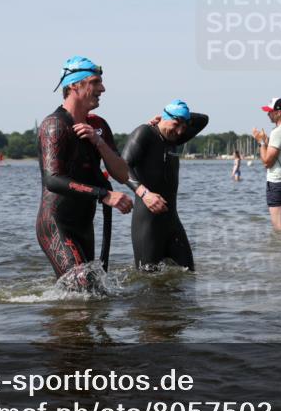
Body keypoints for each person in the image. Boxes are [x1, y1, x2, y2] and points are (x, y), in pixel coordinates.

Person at [36, 56, 132, 288]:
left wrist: (99, 142)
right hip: (56, 224)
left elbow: (122, 174)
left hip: (84, 225)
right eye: (95, 82)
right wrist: (104, 194)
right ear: (74, 85)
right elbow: (53, 180)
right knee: (83, 288)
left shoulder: (99, 126)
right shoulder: (54, 125)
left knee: (92, 294)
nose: (103, 89)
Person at [121, 100, 208, 270]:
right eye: (176, 124)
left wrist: (182, 118)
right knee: (148, 277)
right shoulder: (145, 133)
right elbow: (122, 166)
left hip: (171, 221)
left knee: (189, 274)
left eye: (184, 126)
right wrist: (145, 194)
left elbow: (204, 119)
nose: (180, 131)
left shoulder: (174, 137)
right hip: (147, 222)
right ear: (164, 117)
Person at [251, 98, 281, 231]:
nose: (268, 114)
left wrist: (261, 142)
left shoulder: (278, 132)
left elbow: (267, 162)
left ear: (279, 113)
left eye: (270, 112)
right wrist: (267, 141)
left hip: (277, 182)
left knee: (279, 227)